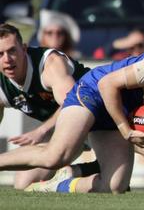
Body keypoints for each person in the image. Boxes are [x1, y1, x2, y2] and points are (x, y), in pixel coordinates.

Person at [0, 36, 144, 195]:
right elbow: (107, 85)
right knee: (57, 156)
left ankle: (53, 186)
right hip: (94, 91)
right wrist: (126, 130)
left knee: (114, 186)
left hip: (121, 112)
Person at [0, 23, 95, 189]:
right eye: (0, 54)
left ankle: (88, 169)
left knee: (117, 182)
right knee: (24, 183)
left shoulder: (49, 64)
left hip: (100, 118)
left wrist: (41, 131)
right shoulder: (2, 85)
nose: (7, 59)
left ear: (23, 48)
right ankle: (75, 175)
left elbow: (74, 104)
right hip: (67, 131)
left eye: (12, 51)